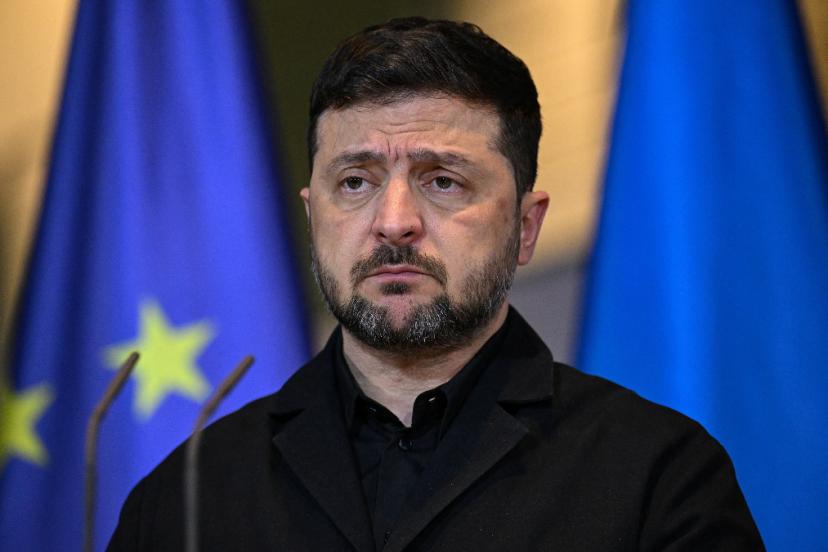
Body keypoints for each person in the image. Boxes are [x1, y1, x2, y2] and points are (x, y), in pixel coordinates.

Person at [108, 17, 764, 551]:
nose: (394, 221)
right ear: (313, 218)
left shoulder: (658, 476)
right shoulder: (186, 498)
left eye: (443, 181)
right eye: (355, 182)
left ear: (525, 227)